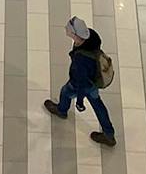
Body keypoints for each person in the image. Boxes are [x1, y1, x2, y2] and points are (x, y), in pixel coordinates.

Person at [44, 16, 116, 147]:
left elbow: (82, 82)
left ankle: (61, 110)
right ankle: (109, 134)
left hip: (82, 83)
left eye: (69, 28)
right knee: (98, 105)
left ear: (75, 35)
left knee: (66, 92)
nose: (66, 28)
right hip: (93, 80)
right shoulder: (91, 36)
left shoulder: (81, 59)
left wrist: (80, 101)